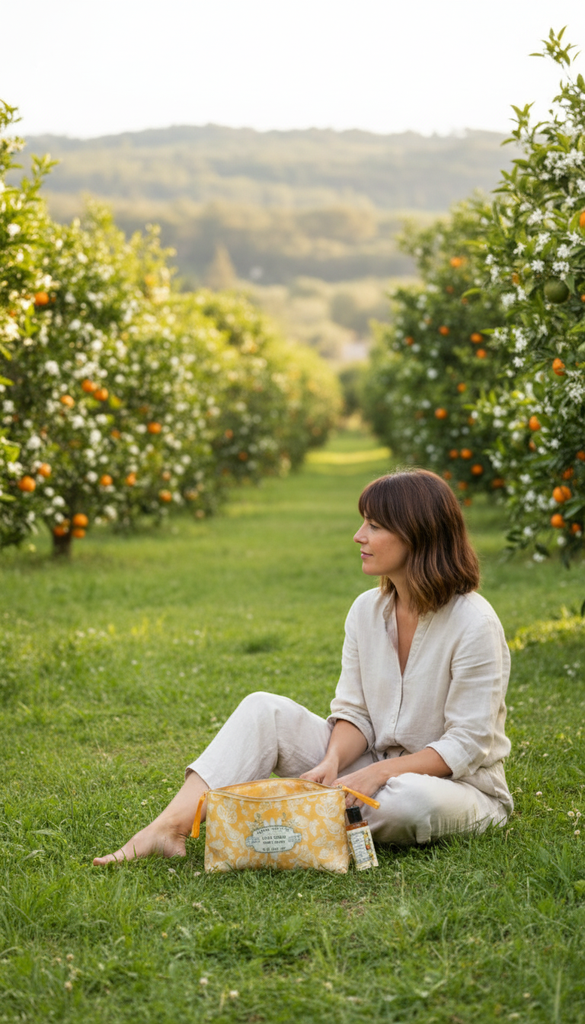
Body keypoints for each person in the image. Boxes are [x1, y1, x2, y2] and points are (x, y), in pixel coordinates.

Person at [93, 469, 512, 865]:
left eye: (374, 526)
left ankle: (272, 824)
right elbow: (355, 713)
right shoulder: (366, 610)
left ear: (418, 536)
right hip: (370, 767)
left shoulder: (474, 623)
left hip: (455, 787)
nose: (359, 536)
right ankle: (169, 828)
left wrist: (377, 774)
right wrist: (332, 761)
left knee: (407, 802)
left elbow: (467, 743)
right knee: (263, 709)